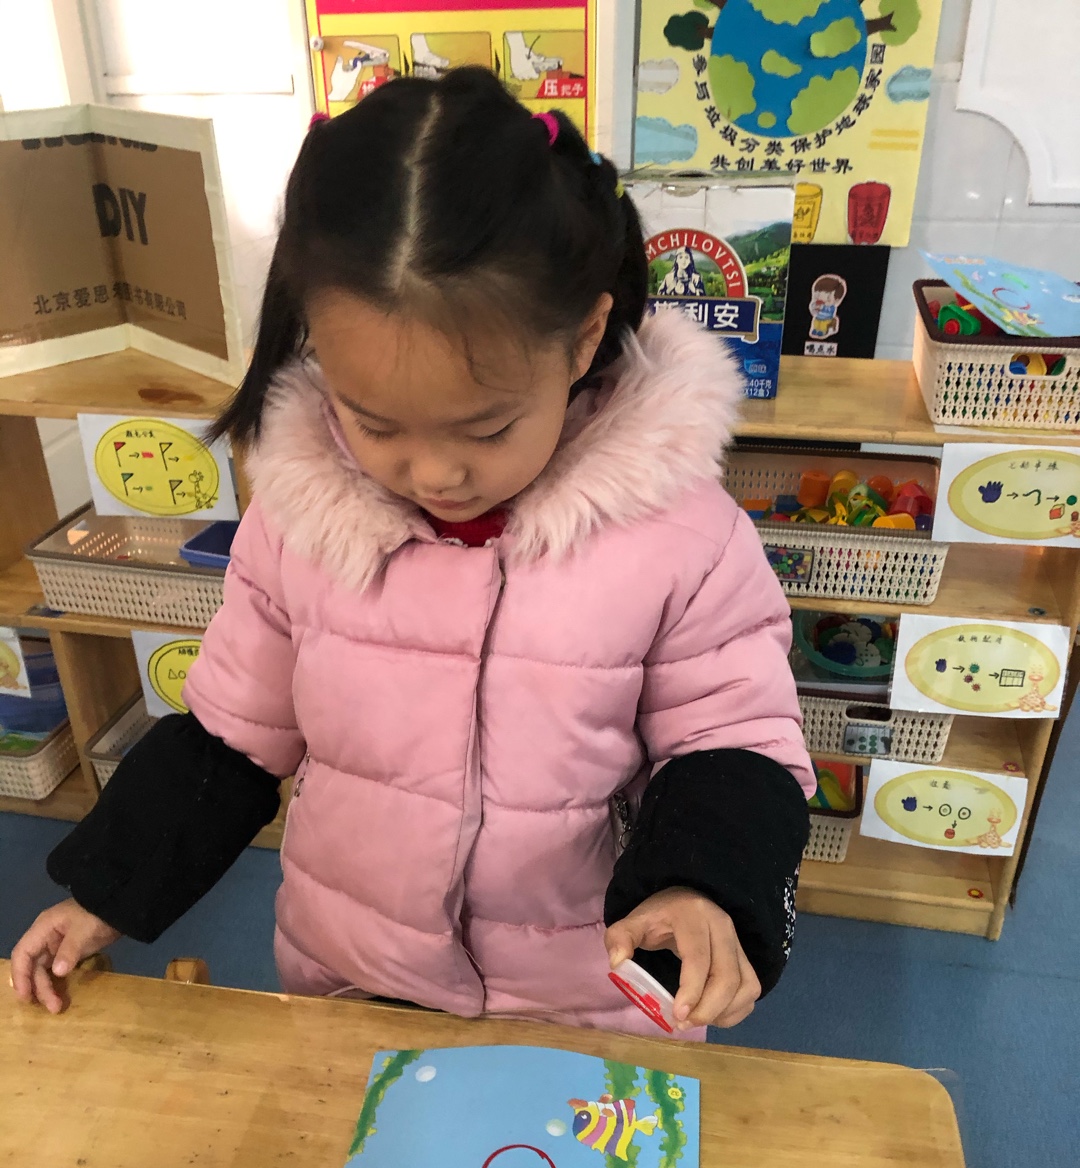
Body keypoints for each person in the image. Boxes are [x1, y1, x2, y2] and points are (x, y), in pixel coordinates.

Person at [12, 70, 813, 1037]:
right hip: (352, 971)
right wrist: (104, 894)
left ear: (583, 338)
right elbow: (228, 740)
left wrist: (701, 887)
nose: (435, 473)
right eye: (376, 422)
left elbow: (730, 744)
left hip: (582, 995)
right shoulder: (299, 521)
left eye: (487, 428)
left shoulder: (680, 538)